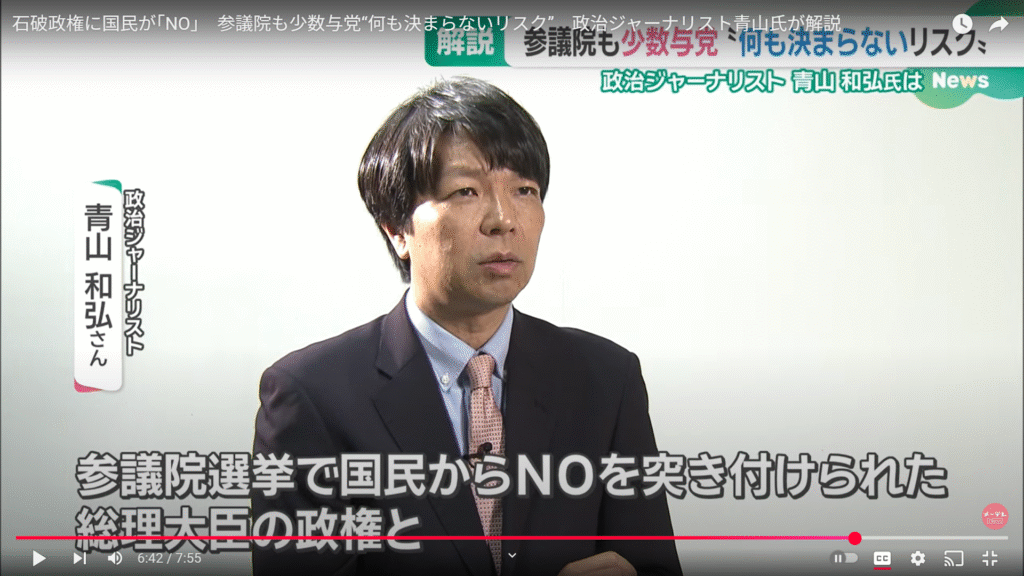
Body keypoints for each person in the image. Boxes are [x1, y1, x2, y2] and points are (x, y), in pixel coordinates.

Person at [252, 77, 682, 576]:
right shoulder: (312, 395)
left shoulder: (605, 379)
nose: (503, 219)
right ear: (397, 230)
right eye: (466, 191)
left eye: (524, 190)